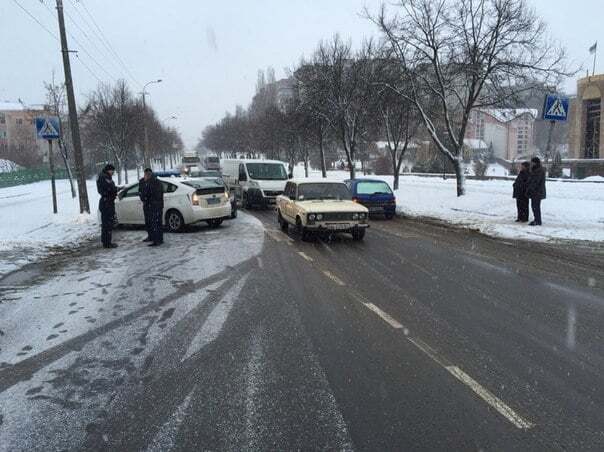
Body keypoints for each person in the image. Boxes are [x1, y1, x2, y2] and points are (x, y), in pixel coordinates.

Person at [139, 168, 164, 246]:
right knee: (149, 222)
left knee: (156, 223)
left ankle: (157, 240)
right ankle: (151, 236)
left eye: (148, 174)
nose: (146, 176)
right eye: (145, 174)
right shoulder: (143, 182)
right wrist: (143, 197)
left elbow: (155, 194)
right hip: (147, 206)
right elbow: (140, 192)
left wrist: (146, 196)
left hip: (155, 206)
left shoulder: (156, 182)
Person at [96, 164, 118, 248]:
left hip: (106, 202)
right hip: (107, 203)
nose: (113, 172)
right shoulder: (105, 177)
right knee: (108, 224)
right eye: (112, 171)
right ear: (109, 170)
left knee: (106, 223)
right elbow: (110, 188)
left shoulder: (102, 176)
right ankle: (107, 243)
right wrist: (115, 190)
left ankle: (105, 241)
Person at [526, 157, 546, 226]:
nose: (531, 164)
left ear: (535, 163)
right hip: (535, 192)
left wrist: (531, 188)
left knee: (535, 206)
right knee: (534, 206)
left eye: (532, 162)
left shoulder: (539, 170)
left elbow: (536, 181)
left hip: (537, 192)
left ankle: (538, 221)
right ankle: (536, 219)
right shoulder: (535, 169)